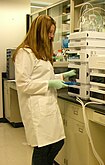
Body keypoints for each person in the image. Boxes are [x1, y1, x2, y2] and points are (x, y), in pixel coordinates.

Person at [12, 15, 75, 165]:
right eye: (49, 32)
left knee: (57, 143)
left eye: (53, 32)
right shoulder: (24, 53)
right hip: (36, 109)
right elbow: (23, 84)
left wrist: (62, 77)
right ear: (39, 31)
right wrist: (50, 84)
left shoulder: (42, 53)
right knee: (42, 148)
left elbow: (47, 76)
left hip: (48, 105)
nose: (52, 36)